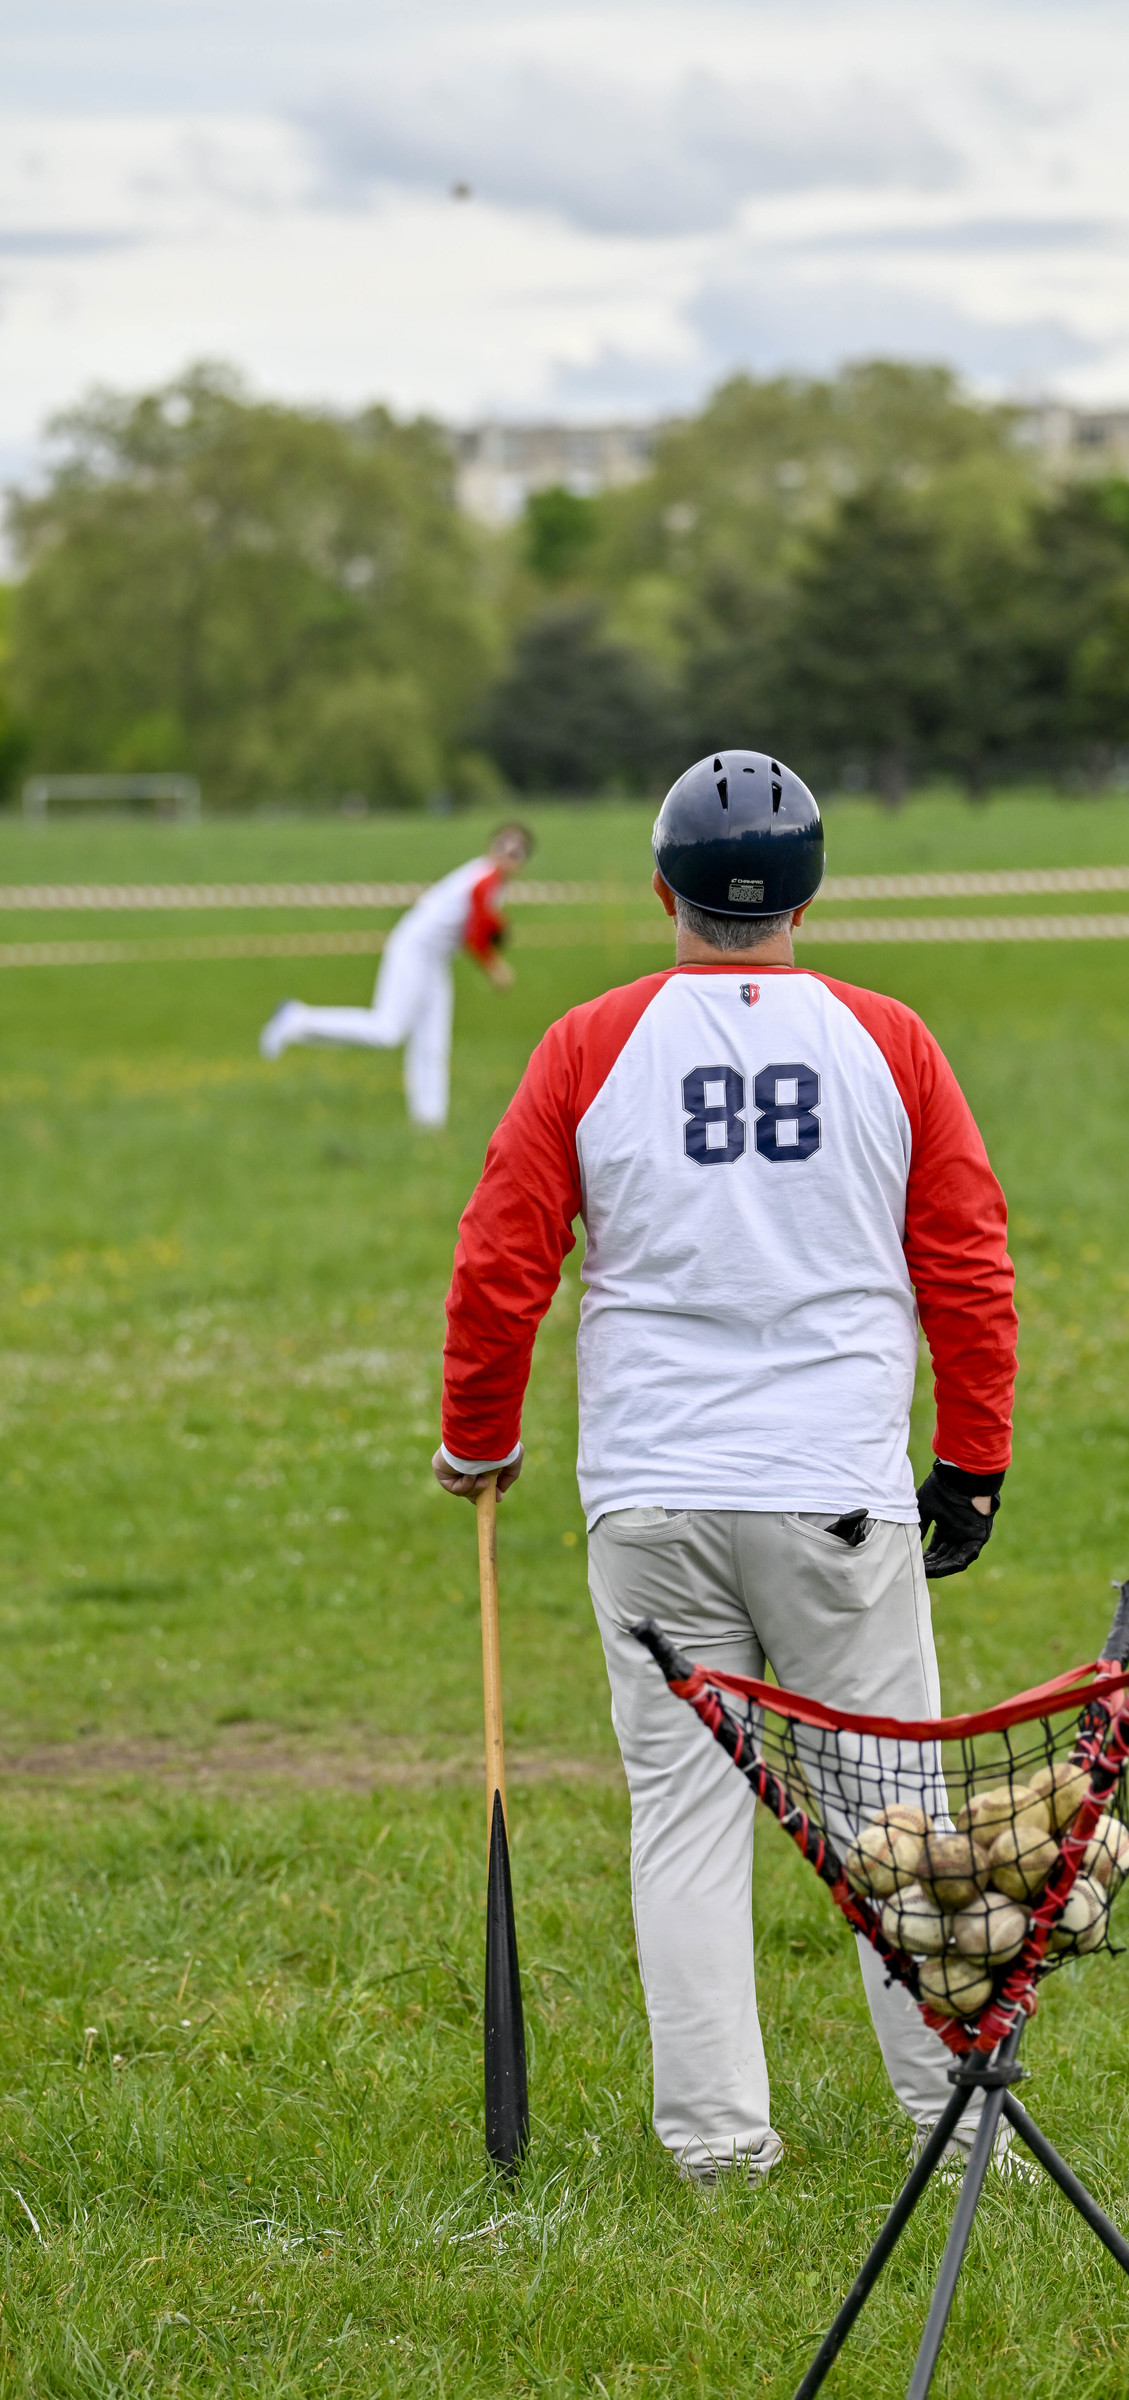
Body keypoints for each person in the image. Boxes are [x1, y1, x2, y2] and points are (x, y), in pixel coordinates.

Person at [433, 751, 1017, 2186]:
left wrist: (478, 1439)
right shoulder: (888, 1038)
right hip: (832, 1487)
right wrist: (974, 1464)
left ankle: (715, 2144)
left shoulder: (588, 1042)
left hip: (651, 1494)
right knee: (896, 1815)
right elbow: (967, 1262)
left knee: (685, 1820)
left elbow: (502, 1260)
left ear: (662, 890)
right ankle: (951, 2129)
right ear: (810, 897)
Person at [259, 823, 532, 1127]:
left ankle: (430, 1122)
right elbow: (474, 934)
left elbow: (479, 923)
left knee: (433, 1041)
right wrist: (495, 968)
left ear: (523, 862)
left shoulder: (493, 883)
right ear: (490, 848)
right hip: (414, 950)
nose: (506, 856)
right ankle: (296, 1019)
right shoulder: (485, 879)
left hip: (434, 958)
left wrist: (496, 928)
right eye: (501, 847)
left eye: (514, 852)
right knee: (387, 1030)